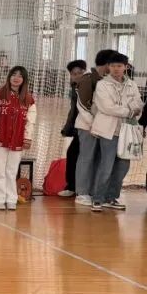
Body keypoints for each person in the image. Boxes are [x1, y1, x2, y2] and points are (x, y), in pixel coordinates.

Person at [87, 53, 142, 212]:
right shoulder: (102, 85)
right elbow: (106, 107)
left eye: (119, 66)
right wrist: (128, 111)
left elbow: (138, 104)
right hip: (108, 132)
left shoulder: (132, 84)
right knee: (106, 166)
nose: (116, 69)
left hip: (127, 132)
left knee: (122, 167)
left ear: (126, 67)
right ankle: (98, 199)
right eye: (113, 66)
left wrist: (132, 110)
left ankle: (111, 198)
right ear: (108, 67)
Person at [0, 66, 36, 210]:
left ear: (24, 80)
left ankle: (11, 198)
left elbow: (30, 122)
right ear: (9, 77)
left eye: (20, 76)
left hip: (17, 140)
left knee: (11, 171)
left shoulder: (29, 100)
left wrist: (28, 138)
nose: (16, 78)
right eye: (14, 74)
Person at [74, 50, 115, 207]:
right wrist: (93, 125)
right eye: (112, 64)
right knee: (86, 158)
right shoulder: (88, 79)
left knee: (99, 159)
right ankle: (81, 192)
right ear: (106, 64)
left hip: (103, 128)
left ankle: (93, 191)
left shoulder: (107, 80)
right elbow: (82, 105)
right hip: (87, 127)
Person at [58, 60, 87, 197]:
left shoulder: (88, 87)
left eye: (80, 73)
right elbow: (73, 111)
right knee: (72, 154)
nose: (77, 76)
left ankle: (79, 188)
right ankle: (73, 187)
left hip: (89, 128)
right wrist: (67, 128)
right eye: (74, 74)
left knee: (78, 155)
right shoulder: (74, 88)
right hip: (79, 128)